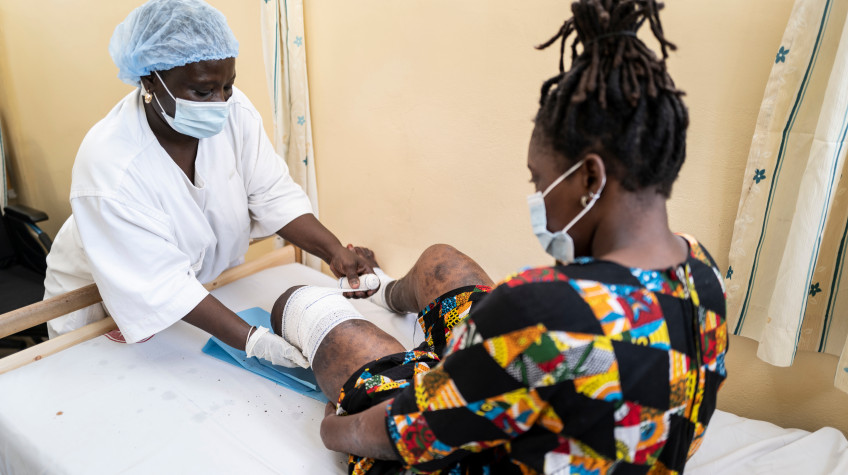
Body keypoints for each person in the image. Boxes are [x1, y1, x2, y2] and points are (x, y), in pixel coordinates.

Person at [268, 0, 728, 473]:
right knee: (441, 261)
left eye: (539, 181)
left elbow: (404, 436)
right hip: (554, 404)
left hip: (462, 450)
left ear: (590, 178)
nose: (539, 198)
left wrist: (333, 428)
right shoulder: (702, 271)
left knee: (299, 303)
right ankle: (388, 295)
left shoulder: (540, 309)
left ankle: (424, 358)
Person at [42, 0, 374, 368]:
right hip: (99, 303)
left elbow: (272, 194)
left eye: (228, 86)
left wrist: (333, 251)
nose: (220, 103)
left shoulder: (235, 112)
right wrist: (254, 341)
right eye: (203, 92)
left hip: (189, 294)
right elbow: (161, 284)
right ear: (150, 80)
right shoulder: (111, 165)